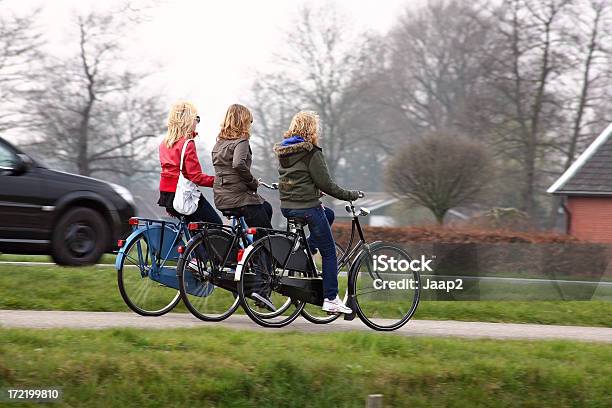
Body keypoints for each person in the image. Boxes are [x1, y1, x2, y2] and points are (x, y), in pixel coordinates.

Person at [273, 110, 361, 314]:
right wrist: (350, 195)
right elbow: (328, 184)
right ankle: (331, 298)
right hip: (307, 208)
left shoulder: (285, 152)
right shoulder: (311, 152)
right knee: (329, 253)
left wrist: (312, 190)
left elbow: (297, 180)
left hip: (288, 207)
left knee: (328, 215)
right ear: (311, 129)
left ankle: (307, 249)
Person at [211, 103, 275, 310]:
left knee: (267, 210)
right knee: (268, 238)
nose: (251, 125)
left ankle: (250, 255)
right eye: (249, 121)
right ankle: (261, 288)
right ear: (242, 121)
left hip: (222, 198)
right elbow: (239, 164)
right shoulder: (242, 142)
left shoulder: (219, 143)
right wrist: (253, 182)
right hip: (241, 198)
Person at [157, 101, 221, 225]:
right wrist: (220, 181)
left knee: (195, 230)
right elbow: (195, 177)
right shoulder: (187, 143)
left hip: (167, 196)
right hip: (182, 195)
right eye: (196, 118)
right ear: (188, 120)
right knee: (215, 224)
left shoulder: (164, 143)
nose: (197, 122)